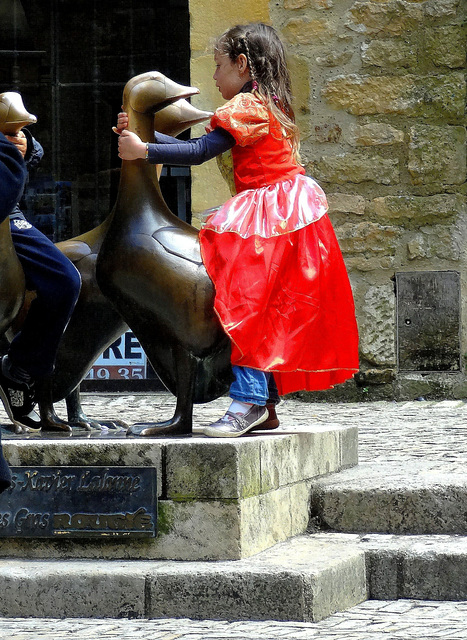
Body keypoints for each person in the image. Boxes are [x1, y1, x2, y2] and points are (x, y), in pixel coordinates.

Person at [115, 23, 359, 438]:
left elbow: (199, 151)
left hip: (270, 214)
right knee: (264, 308)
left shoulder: (246, 106)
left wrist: (145, 149)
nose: (212, 77)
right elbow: (205, 144)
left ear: (242, 64)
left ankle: (247, 401)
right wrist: (140, 132)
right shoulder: (269, 102)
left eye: (217, 65)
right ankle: (264, 404)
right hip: (288, 215)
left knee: (243, 303)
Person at [0, 106, 82, 433]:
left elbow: (32, 155)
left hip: (7, 210)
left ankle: (18, 367)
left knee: (65, 280)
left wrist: (24, 143)